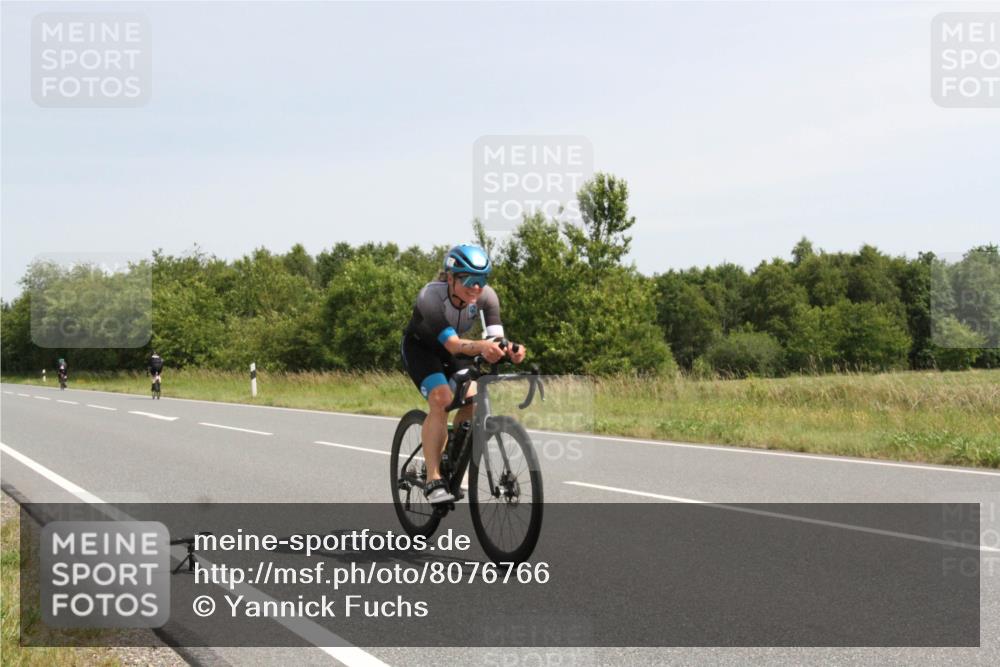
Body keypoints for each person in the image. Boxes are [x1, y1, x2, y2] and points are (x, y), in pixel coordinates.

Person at [401, 244, 526, 504]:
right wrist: (482, 347)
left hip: (455, 352)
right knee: (441, 399)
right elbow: (454, 345)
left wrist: (511, 350)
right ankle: (433, 478)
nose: (476, 287)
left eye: (481, 280)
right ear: (450, 277)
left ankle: (452, 457)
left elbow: (496, 339)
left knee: (475, 398)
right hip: (422, 349)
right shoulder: (431, 297)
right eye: (468, 279)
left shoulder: (487, 298)